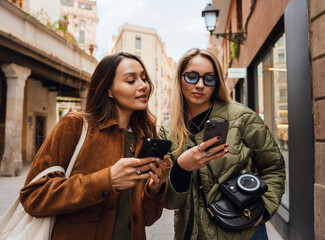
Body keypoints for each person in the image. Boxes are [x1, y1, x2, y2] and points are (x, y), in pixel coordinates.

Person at [20, 52, 172, 240]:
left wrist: (154, 188)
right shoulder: (74, 125)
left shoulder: (143, 138)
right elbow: (33, 197)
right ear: (109, 90)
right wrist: (107, 180)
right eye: (131, 81)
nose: (143, 86)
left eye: (144, 78)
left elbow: (146, 219)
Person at [158, 48, 285, 240]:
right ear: (180, 78)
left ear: (216, 83)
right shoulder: (167, 131)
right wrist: (182, 167)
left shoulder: (242, 117)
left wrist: (265, 207)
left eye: (209, 78)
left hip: (244, 229)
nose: (200, 85)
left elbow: (273, 166)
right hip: (191, 233)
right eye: (192, 77)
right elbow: (171, 202)